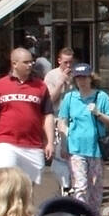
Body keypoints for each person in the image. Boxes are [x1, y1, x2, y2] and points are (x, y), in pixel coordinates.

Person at [0, 47, 55, 185]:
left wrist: (50, 142)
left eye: (31, 62)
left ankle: (23, 208)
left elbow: (48, 116)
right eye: (26, 62)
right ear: (14, 63)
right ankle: (4, 208)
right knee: (5, 184)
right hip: (6, 143)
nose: (30, 65)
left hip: (33, 145)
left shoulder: (40, 86)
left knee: (27, 188)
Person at [58, 64, 109, 215]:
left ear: (91, 78)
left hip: (96, 149)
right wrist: (64, 145)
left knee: (95, 187)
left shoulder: (101, 97)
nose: (81, 81)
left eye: (84, 77)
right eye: (78, 78)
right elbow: (62, 121)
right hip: (76, 148)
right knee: (80, 186)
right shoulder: (69, 98)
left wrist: (98, 113)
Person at [44, 48, 75, 195]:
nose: (69, 66)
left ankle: (69, 185)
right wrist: (61, 83)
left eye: (71, 62)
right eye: (66, 62)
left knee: (72, 153)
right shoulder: (51, 76)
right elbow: (49, 100)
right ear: (59, 61)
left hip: (74, 120)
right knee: (60, 154)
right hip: (57, 118)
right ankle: (65, 185)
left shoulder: (76, 75)